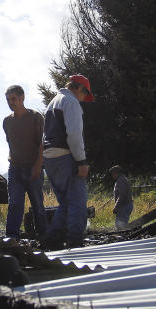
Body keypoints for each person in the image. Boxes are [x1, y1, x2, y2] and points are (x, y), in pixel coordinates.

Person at [42, 74, 94, 248]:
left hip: (50, 159)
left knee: (65, 203)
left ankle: (52, 240)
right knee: (78, 202)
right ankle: (75, 242)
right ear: (78, 87)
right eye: (85, 93)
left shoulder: (52, 103)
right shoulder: (71, 102)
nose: (84, 98)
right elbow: (73, 135)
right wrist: (81, 162)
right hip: (66, 157)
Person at [2, 84, 47, 240]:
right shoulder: (6, 121)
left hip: (33, 167)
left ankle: (43, 237)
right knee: (14, 203)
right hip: (15, 168)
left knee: (37, 205)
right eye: (8, 100)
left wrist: (38, 165)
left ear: (22, 98)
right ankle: (12, 238)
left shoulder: (36, 117)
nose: (11, 102)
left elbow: (42, 144)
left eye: (13, 99)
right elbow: (10, 142)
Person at [110, 165, 134, 230]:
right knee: (121, 225)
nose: (112, 175)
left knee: (120, 226)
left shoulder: (121, 181)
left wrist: (116, 207)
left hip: (124, 206)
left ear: (116, 173)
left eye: (113, 173)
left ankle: (122, 238)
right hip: (125, 205)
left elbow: (122, 195)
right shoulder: (122, 179)